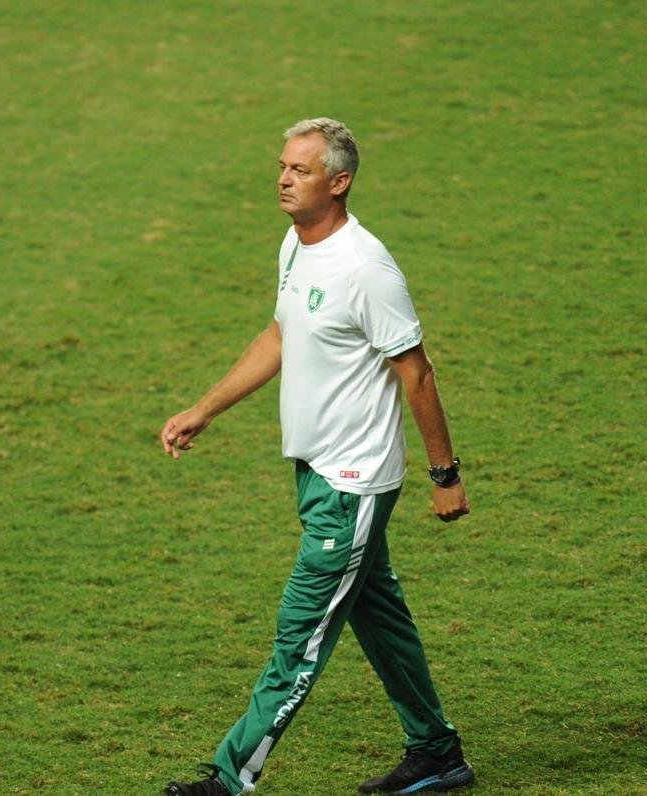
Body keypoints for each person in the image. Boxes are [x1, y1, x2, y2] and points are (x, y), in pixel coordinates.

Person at [161, 118, 473, 796]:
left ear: (339, 182)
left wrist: (444, 477)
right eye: (282, 166)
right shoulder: (297, 246)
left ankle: (228, 776)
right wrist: (205, 409)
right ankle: (437, 752)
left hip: (353, 483)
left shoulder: (366, 269)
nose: (282, 178)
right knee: (376, 613)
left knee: (299, 634)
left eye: (300, 170)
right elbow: (281, 332)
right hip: (314, 471)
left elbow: (416, 373)